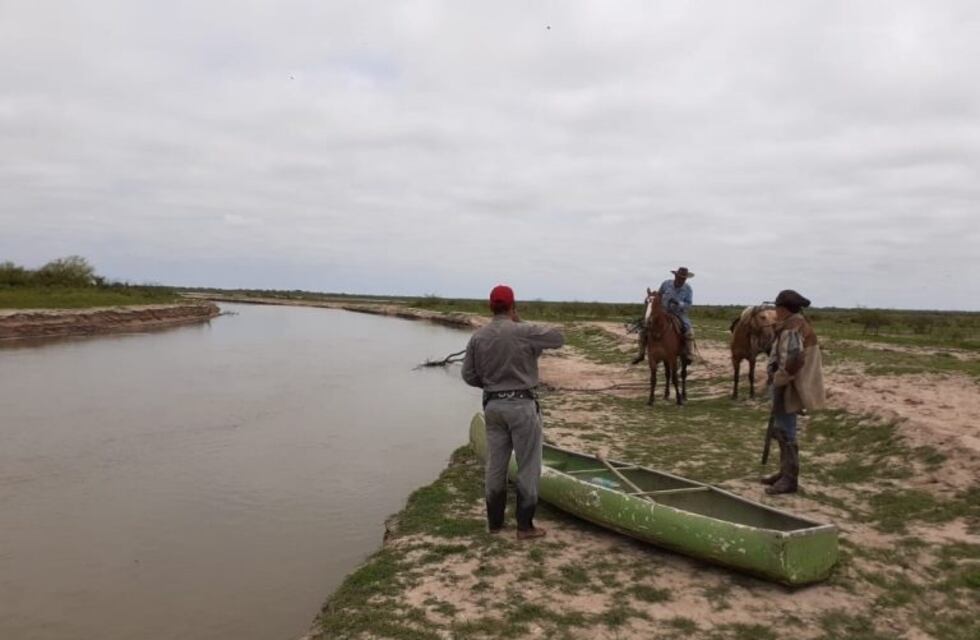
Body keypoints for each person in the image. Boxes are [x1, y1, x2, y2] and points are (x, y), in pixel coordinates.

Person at [462, 285, 564, 539]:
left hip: (493, 406)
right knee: (529, 465)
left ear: (489, 306)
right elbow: (558, 338)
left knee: (495, 465)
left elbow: (468, 375)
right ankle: (524, 527)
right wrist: (521, 321)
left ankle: (495, 523)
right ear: (512, 306)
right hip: (522, 406)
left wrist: (491, 386)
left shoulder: (478, 337)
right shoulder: (523, 331)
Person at [763, 289, 826, 495]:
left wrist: (778, 381)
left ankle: (790, 479)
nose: (775, 311)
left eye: (776, 307)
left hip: (789, 384)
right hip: (788, 382)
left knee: (786, 431)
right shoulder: (794, 323)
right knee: (783, 428)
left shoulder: (792, 327)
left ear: (782, 308)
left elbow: (792, 361)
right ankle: (784, 472)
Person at [632, 267, 695, 365]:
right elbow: (659, 296)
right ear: (675, 276)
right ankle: (641, 353)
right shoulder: (666, 284)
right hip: (663, 311)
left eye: (684, 278)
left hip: (679, 314)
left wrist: (678, 303)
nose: (682, 280)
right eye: (680, 277)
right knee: (644, 328)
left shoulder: (688, 289)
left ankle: (689, 353)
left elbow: (689, 304)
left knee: (689, 331)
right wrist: (651, 298)